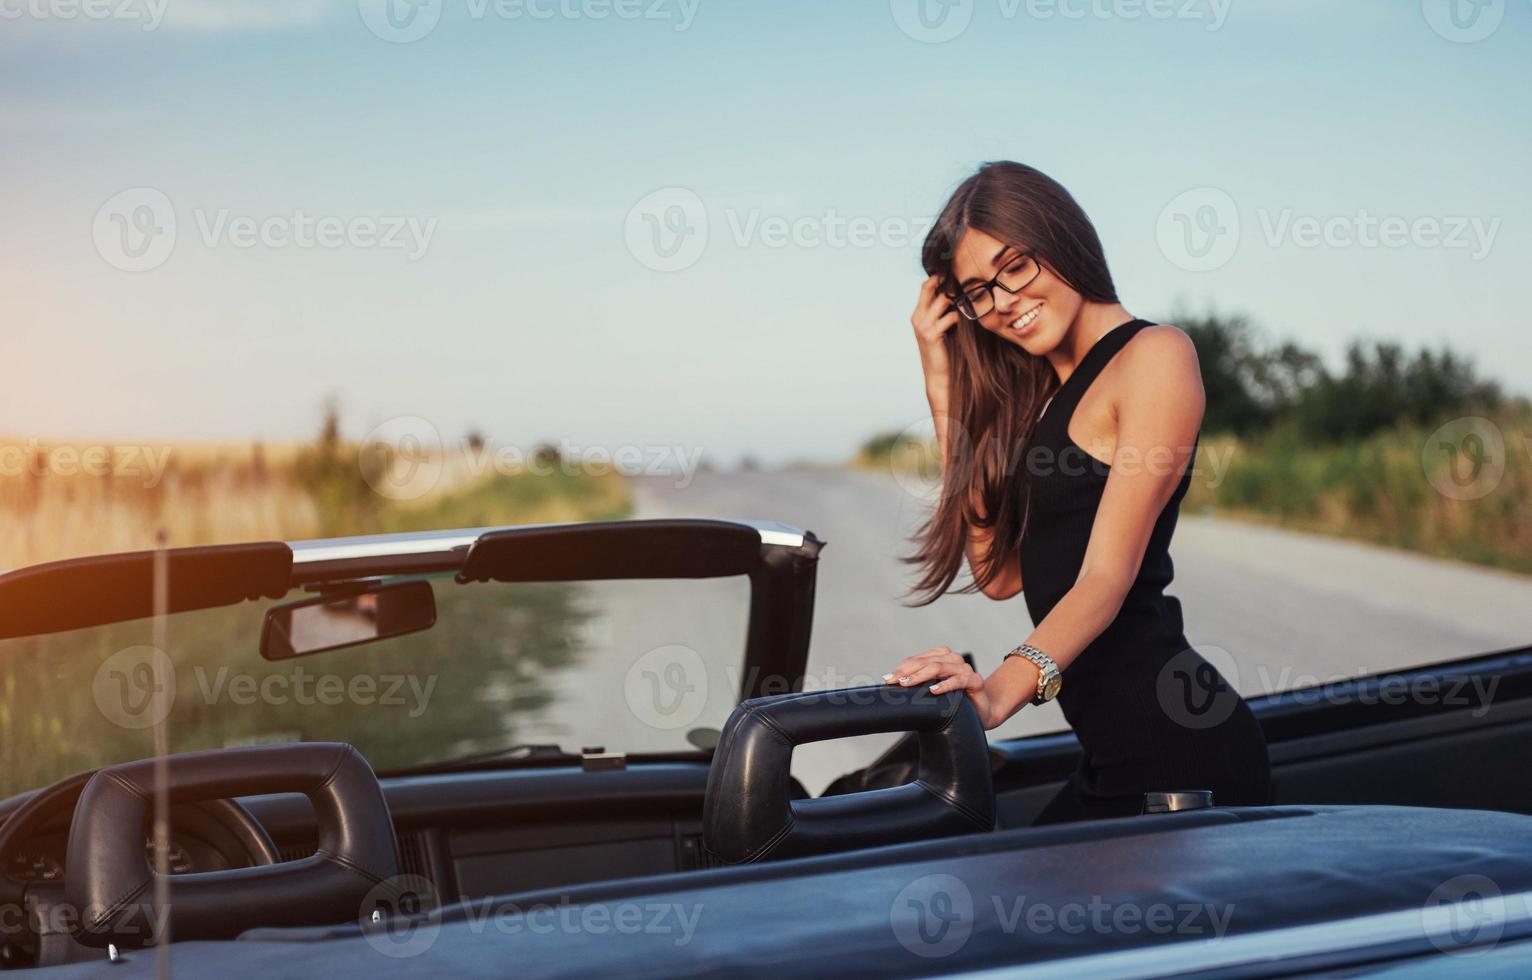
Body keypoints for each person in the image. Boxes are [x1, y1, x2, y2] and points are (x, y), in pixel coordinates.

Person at [884, 161, 1272, 823]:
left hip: (1179, 759)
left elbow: (1104, 579)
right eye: (978, 290)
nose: (1002, 301)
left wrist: (997, 693)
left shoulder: (1154, 356)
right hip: (1112, 757)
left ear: (1062, 238)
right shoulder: (1042, 398)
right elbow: (999, 572)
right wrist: (941, 380)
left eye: (1015, 267)